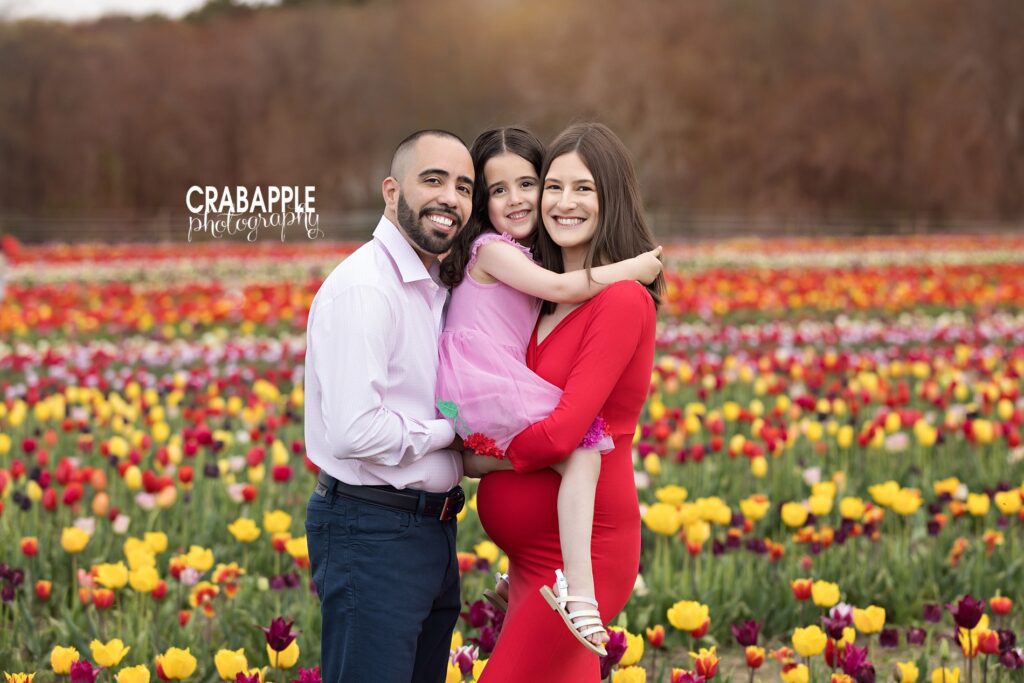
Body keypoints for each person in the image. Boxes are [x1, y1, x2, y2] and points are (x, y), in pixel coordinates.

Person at [436, 126, 663, 654]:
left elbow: (563, 436)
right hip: (532, 564)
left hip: (580, 558)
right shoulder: (537, 294)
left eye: (582, 188)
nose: (562, 202)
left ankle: (582, 597)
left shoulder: (622, 299)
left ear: (612, 197)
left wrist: (482, 459)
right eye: (554, 186)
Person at [304, 129, 473, 683]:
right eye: (434, 180)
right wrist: (447, 433)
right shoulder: (366, 289)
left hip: (430, 530)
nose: (451, 197)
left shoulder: (432, 287)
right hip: (372, 529)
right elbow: (354, 431)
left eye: (464, 187)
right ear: (391, 192)